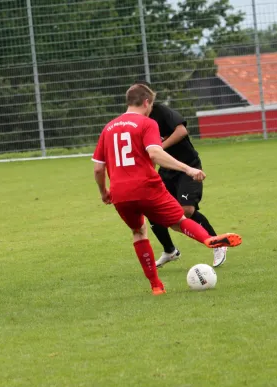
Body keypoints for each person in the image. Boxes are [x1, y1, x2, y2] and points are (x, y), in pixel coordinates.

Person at [92, 84, 241, 295]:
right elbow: (154, 152)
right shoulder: (147, 122)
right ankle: (208, 239)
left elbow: (98, 168)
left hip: (120, 193)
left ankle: (156, 286)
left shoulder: (108, 128)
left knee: (138, 231)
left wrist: (103, 192)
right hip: (147, 187)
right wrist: (188, 169)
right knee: (179, 221)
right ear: (146, 102)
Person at [134, 81, 226, 269]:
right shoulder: (136, 121)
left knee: (186, 210)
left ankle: (218, 244)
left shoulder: (161, 112)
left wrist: (159, 148)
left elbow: (182, 130)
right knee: (152, 209)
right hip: (166, 171)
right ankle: (170, 251)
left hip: (187, 166)